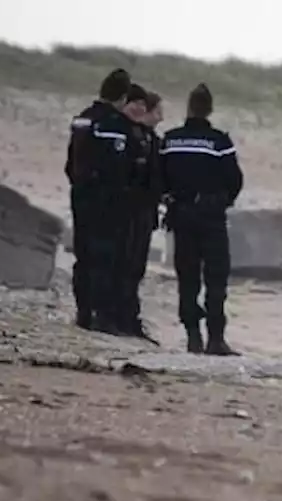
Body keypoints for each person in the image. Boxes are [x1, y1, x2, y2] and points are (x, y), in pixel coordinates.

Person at [159, 83, 244, 355]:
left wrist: (171, 198)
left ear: (188, 107)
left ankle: (193, 337)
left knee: (188, 278)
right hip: (210, 217)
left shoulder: (170, 140)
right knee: (216, 278)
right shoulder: (219, 141)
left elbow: (158, 177)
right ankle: (216, 339)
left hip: (180, 215)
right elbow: (234, 180)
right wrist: (220, 201)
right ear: (209, 109)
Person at [63, 68, 134, 332]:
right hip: (105, 198)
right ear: (123, 97)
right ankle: (100, 315)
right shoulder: (114, 124)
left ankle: (83, 311)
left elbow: (72, 161)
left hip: (80, 193)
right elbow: (116, 166)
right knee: (104, 255)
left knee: (83, 255)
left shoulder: (82, 118)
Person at [115, 85, 164, 344]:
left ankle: (129, 319)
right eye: (158, 111)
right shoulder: (136, 139)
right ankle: (122, 319)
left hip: (144, 211)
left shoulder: (152, 140)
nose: (160, 117)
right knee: (127, 265)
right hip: (131, 211)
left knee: (136, 267)